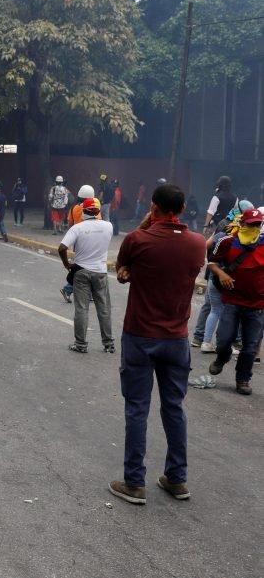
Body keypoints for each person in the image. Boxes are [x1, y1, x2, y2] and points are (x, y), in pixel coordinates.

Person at [108, 184, 205, 505]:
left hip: (140, 336)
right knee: (174, 408)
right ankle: (177, 479)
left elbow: (123, 264)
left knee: (137, 408)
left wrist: (145, 226)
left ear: (154, 207)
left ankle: (135, 483)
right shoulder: (197, 245)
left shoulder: (139, 239)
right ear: (181, 209)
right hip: (177, 339)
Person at [206, 207, 263, 395]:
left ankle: (243, 380)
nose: (254, 227)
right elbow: (212, 263)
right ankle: (222, 358)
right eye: (251, 224)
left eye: (258, 224)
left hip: (257, 305)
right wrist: (221, 273)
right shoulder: (228, 242)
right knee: (224, 339)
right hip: (232, 300)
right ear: (242, 223)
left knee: (250, 346)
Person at [59, 198, 115, 354]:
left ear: (83, 210)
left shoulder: (78, 228)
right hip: (100, 272)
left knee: (82, 309)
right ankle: (108, 343)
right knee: (104, 309)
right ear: (98, 211)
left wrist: (67, 264)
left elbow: (62, 247)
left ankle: (81, 344)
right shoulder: (108, 226)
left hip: (81, 272)